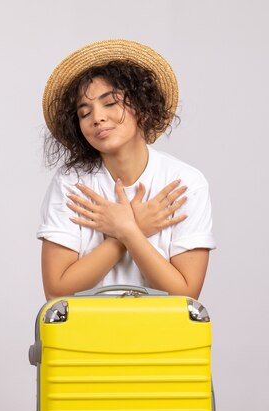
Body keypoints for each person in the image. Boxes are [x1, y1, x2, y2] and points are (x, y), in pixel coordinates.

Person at [36, 39, 216, 301]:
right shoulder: (72, 183)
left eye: (109, 103)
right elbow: (56, 291)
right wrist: (132, 229)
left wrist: (127, 230)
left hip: (164, 337)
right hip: (85, 337)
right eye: (84, 113)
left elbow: (185, 295)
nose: (97, 117)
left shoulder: (185, 182)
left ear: (142, 108)